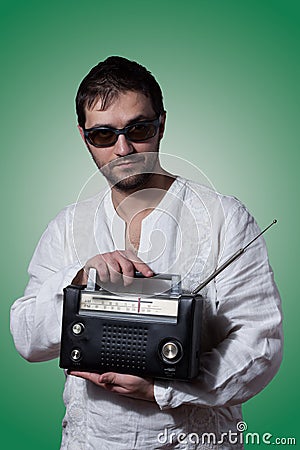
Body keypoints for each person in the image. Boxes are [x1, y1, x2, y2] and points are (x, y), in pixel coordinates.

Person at [10, 56, 283, 449]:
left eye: (138, 129)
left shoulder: (225, 218)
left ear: (162, 124)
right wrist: (78, 278)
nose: (123, 149)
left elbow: (261, 345)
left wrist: (162, 389)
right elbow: (27, 339)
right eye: (103, 135)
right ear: (83, 136)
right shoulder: (67, 227)